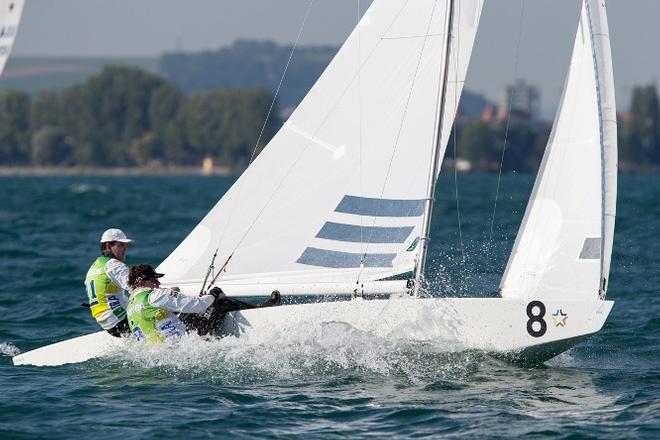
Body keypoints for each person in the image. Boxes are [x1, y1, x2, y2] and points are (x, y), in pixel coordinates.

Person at [126, 264, 280, 343]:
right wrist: (212, 294)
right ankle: (263, 309)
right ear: (143, 281)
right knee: (220, 301)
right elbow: (199, 306)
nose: (158, 282)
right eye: (154, 279)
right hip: (184, 345)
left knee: (191, 310)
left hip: (159, 349)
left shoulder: (131, 304)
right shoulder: (155, 295)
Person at [83, 228, 133, 337]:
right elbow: (138, 289)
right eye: (120, 245)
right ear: (107, 246)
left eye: (125, 246)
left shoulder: (93, 267)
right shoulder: (114, 265)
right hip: (122, 322)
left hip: (108, 325)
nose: (125, 249)